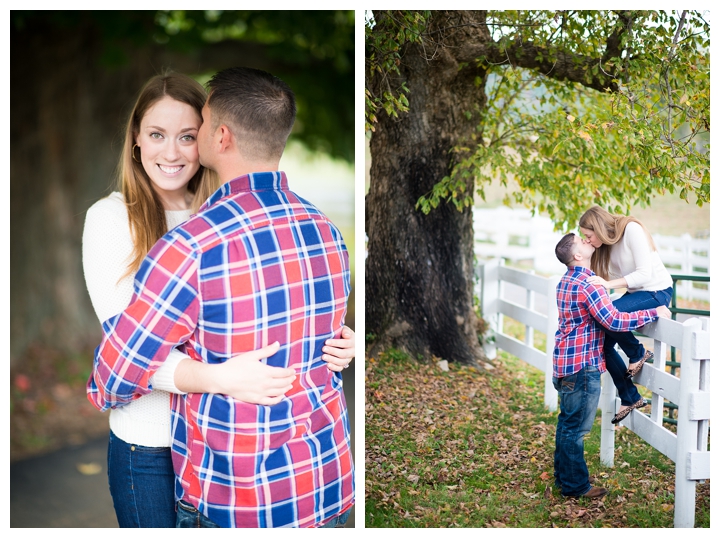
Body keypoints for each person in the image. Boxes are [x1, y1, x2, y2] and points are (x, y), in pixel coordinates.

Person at [82, 71, 355, 528]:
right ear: (135, 140)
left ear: (215, 138)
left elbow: (113, 375)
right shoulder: (324, 227)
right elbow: (122, 357)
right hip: (158, 445)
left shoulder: (197, 238)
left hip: (235, 468)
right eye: (156, 134)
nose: (172, 151)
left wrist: (341, 346)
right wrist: (217, 377)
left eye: (191, 133)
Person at [552, 233, 670, 499]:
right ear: (578, 256)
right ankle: (575, 486)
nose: (587, 240)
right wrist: (653, 311)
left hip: (564, 364)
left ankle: (563, 478)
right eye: (582, 241)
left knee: (566, 425)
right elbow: (614, 321)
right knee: (576, 429)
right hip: (582, 367)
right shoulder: (589, 285)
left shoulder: (565, 281)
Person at [578, 206, 674, 424]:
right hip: (636, 294)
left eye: (589, 235)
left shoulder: (631, 229)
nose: (589, 240)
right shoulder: (606, 245)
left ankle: (637, 352)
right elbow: (600, 275)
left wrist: (608, 284)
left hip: (656, 291)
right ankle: (629, 396)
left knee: (610, 315)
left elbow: (644, 274)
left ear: (599, 228)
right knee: (602, 345)